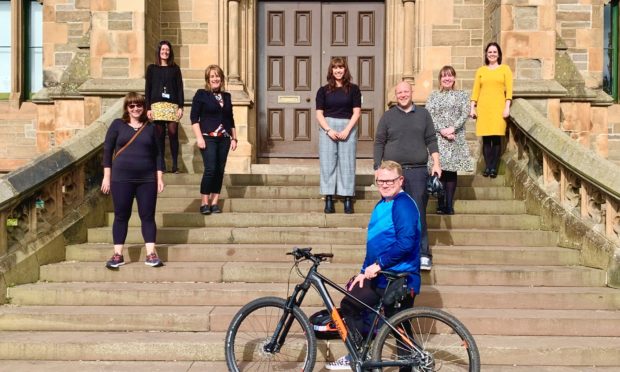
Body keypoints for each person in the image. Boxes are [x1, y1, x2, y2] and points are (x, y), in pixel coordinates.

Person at [325, 160, 421, 371]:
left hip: (399, 278)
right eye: (380, 181)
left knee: (399, 327)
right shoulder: (382, 204)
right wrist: (362, 273)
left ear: (400, 180)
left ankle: (415, 364)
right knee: (352, 304)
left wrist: (379, 264)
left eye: (389, 180)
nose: (385, 185)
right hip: (380, 276)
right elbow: (375, 245)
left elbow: (406, 242)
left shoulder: (403, 204)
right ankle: (359, 356)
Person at [374, 81, 441, 271]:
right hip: (393, 174)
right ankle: (391, 253)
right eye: (399, 92)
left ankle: (423, 254)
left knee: (418, 212)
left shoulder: (423, 114)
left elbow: (431, 139)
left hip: (418, 171)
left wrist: (436, 163)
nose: (403, 95)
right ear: (396, 95)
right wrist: (378, 168)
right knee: (393, 214)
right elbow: (379, 142)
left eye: (406, 91)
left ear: (412, 92)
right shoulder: (387, 117)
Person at [101, 92, 165, 269]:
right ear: (127, 108)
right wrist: (107, 177)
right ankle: (118, 255)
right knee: (121, 216)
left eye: (139, 105)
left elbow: (159, 154)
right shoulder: (117, 125)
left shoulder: (151, 128)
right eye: (132, 106)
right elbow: (107, 152)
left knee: (147, 216)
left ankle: (151, 254)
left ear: (144, 107)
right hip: (121, 179)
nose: (136, 108)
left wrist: (159, 177)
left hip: (147, 179)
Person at [316, 57, 362, 214]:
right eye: (335, 68)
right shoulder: (323, 90)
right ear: (331, 70)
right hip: (327, 128)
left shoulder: (354, 89)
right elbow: (319, 114)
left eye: (341, 67)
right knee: (328, 163)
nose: (338, 70)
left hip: (347, 126)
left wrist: (347, 130)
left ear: (345, 69)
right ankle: (329, 198)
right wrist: (328, 130)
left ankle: (347, 198)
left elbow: (356, 112)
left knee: (347, 163)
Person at [426, 66, 474, 215]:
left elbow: (465, 112)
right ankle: (440, 203)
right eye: (444, 76)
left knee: (451, 171)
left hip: (455, 138)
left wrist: (453, 128)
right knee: (439, 170)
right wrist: (442, 130)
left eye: (450, 76)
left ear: (454, 78)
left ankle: (449, 204)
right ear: (440, 79)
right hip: (438, 138)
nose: (447, 78)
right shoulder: (433, 96)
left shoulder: (462, 95)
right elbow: (429, 115)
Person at [190, 65, 237, 215]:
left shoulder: (227, 96)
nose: (215, 79)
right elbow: (194, 118)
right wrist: (199, 137)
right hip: (207, 137)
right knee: (210, 169)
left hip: (224, 138)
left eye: (217, 76)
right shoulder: (201, 94)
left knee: (219, 170)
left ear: (221, 79)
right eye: (212, 77)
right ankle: (204, 202)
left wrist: (234, 138)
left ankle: (215, 202)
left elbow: (230, 119)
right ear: (208, 80)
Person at [470, 42, 513, 178]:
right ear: (486, 54)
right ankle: (488, 167)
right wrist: (473, 107)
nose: (492, 54)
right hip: (484, 108)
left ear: (499, 54)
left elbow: (509, 90)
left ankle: (494, 167)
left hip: (498, 107)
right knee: (487, 139)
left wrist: (507, 106)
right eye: (490, 52)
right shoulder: (481, 71)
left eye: (495, 52)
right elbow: (476, 90)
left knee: (496, 138)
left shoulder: (505, 69)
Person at [145, 40, 184, 174]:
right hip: (157, 105)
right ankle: (160, 164)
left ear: (170, 52)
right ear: (159, 51)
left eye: (167, 50)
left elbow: (180, 88)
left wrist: (181, 106)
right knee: (159, 135)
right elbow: (148, 89)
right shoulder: (151, 69)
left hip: (172, 105)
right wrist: (148, 108)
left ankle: (174, 165)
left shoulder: (175, 68)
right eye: (163, 50)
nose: (165, 52)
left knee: (173, 133)